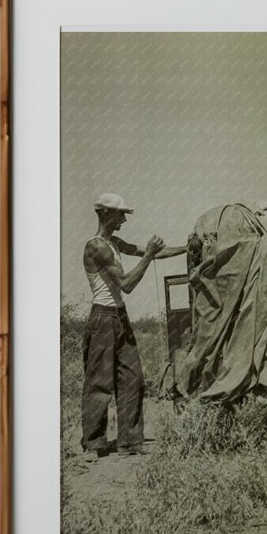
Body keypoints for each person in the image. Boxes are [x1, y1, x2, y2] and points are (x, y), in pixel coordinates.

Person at [81, 193, 184, 456]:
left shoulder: (113, 243)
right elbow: (126, 284)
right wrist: (149, 254)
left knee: (133, 379)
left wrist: (186, 248)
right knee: (100, 382)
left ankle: (129, 441)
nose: (124, 219)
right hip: (103, 317)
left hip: (119, 316)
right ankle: (94, 443)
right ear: (105, 214)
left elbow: (150, 253)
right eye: (120, 214)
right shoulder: (97, 247)